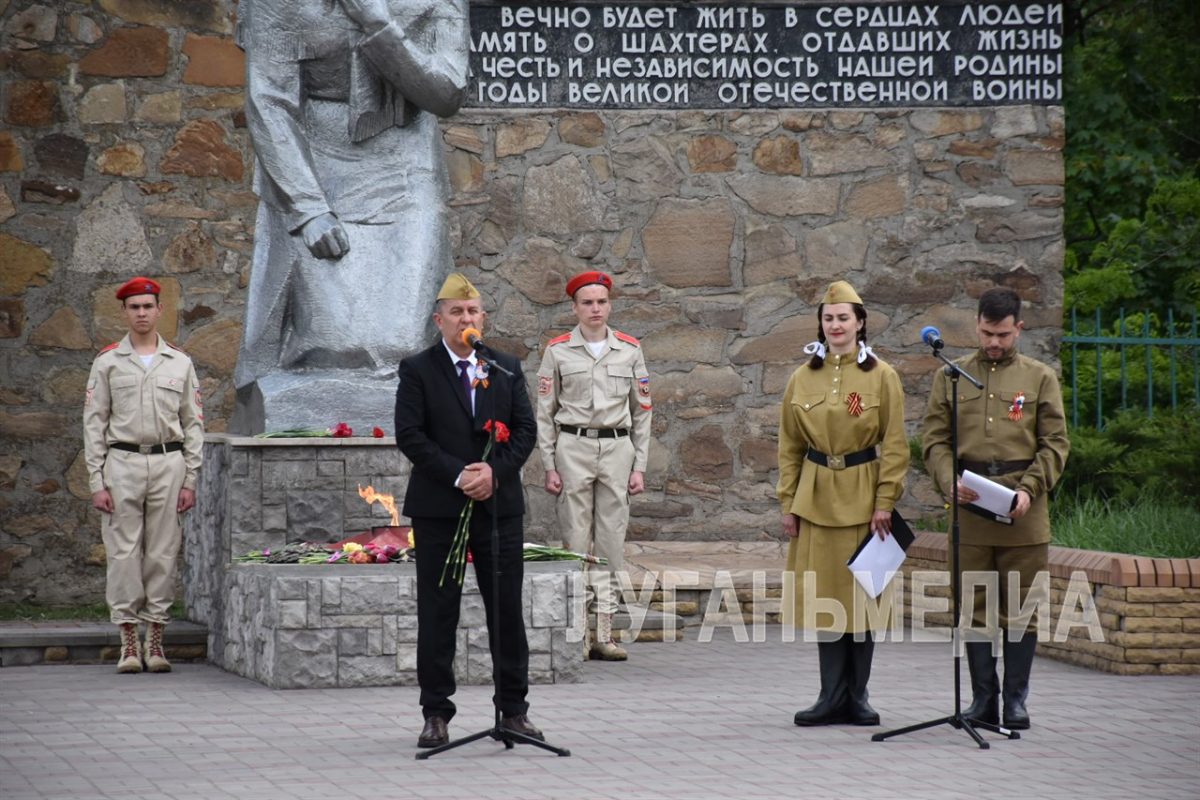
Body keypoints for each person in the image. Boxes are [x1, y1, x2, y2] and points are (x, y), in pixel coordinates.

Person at [235, 0, 470, 385]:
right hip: (312, 154)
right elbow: (270, 102)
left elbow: (446, 94)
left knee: (407, 341)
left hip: (404, 148)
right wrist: (308, 209)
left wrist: (376, 20)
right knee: (334, 345)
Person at [393, 273, 543, 748]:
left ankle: (513, 710)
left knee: (506, 612)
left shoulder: (504, 367)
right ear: (439, 320)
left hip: (497, 507)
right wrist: (461, 475)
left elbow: (524, 431)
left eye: (473, 311)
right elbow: (411, 435)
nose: (466, 319)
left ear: (483, 318)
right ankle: (436, 713)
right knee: (439, 612)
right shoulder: (418, 369)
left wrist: (492, 474)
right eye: (457, 312)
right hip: (440, 508)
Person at [921, 287, 1069, 730]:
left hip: (1023, 509)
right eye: (987, 333)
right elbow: (933, 440)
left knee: (1021, 608)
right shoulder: (953, 375)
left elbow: (1055, 443)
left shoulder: (1039, 377)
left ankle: (1015, 702)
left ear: (1018, 328)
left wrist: (1030, 488)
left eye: (1003, 334)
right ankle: (982, 701)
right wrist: (948, 482)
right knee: (974, 607)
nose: (994, 343)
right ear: (977, 324)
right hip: (969, 509)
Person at [777, 280, 909, 726]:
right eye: (829, 318)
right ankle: (830, 696)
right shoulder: (803, 376)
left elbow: (894, 444)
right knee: (826, 598)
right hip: (815, 497)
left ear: (860, 323)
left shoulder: (882, 376)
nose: (835, 325)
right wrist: (789, 502)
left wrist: (885, 501)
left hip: (864, 495)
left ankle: (858, 697)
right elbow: (789, 444)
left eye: (843, 318)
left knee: (863, 598)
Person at [83, 277, 205, 674]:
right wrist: (97, 481)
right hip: (123, 463)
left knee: (163, 553)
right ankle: (128, 643)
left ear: (159, 310)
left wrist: (190, 478)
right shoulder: (108, 362)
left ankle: (156, 641)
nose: (140, 313)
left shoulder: (180, 363)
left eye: (147, 306)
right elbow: (94, 424)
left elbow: (193, 424)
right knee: (122, 554)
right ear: (124, 312)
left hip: (168, 464)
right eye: (133, 307)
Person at [536, 271, 652, 661]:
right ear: (575, 308)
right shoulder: (557, 351)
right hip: (573, 446)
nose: (595, 308)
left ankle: (604, 633)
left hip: (617, 449)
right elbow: (545, 413)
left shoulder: (630, 350)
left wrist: (640, 466)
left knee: (610, 543)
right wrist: (549, 464)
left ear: (610, 305)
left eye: (601, 301)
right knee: (574, 541)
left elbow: (643, 413)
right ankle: (577, 633)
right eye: (587, 302)